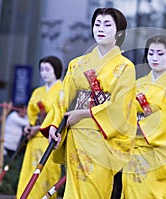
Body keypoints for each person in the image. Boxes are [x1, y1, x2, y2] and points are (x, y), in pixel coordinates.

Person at [40, 8, 136, 199]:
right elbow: (63, 99)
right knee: (73, 192)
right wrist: (53, 125)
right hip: (76, 135)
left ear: (119, 32)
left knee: (95, 190)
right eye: (97, 24)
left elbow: (120, 106)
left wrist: (84, 113)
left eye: (107, 24)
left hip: (102, 139)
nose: (100, 28)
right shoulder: (77, 64)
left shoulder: (125, 67)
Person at [121, 35, 166, 199]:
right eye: (151, 53)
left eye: (160, 54)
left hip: (155, 155)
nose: (155, 58)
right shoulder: (139, 83)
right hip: (133, 151)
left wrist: (141, 126)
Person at [16, 56, 63, 199]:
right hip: (33, 139)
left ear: (56, 70)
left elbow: (60, 113)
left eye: (47, 69)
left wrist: (40, 128)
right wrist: (29, 128)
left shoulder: (62, 90)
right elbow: (31, 115)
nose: (44, 73)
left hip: (50, 138)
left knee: (46, 174)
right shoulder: (37, 91)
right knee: (28, 172)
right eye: (41, 69)